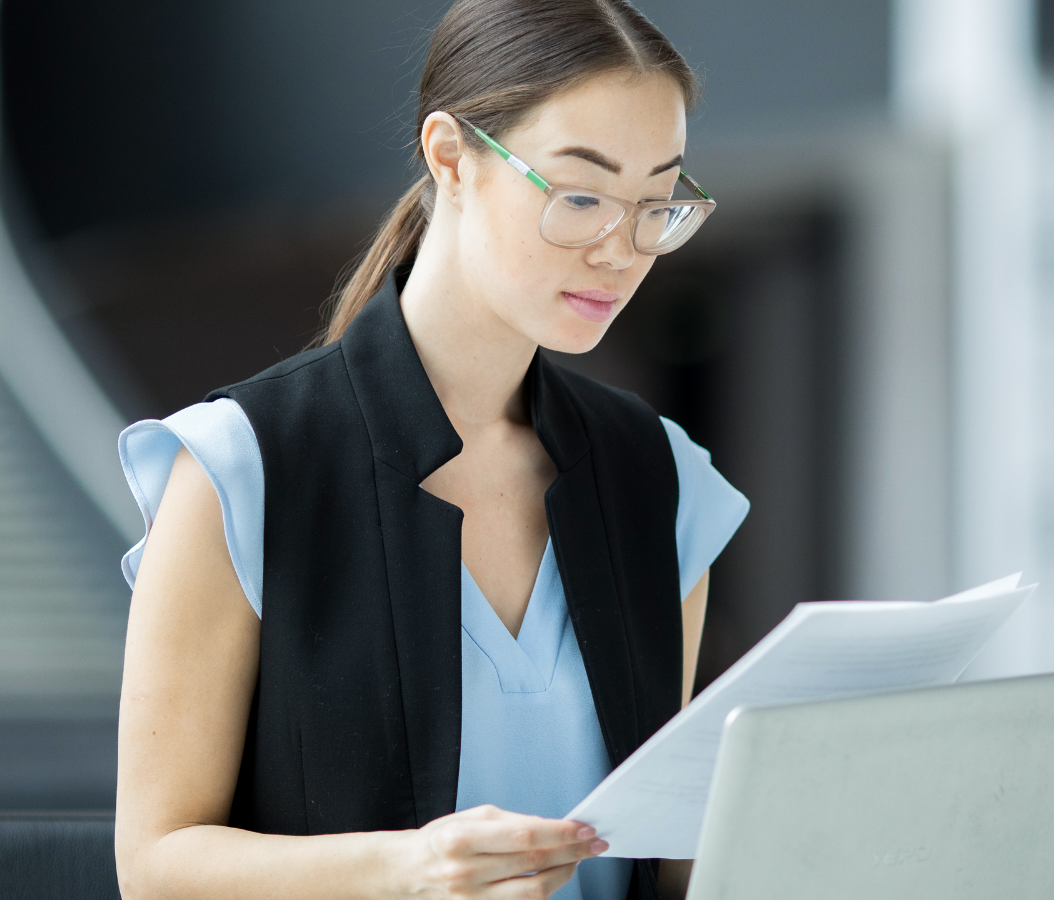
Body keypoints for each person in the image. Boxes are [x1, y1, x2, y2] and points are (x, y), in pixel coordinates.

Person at [109, 2, 748, 898]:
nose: (621, 251)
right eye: (579, 195)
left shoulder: (663, 479)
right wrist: (404, 871)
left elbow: (667, 859)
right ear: (451, 157)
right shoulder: (241, 467)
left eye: (656, 204)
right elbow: (154, 866)